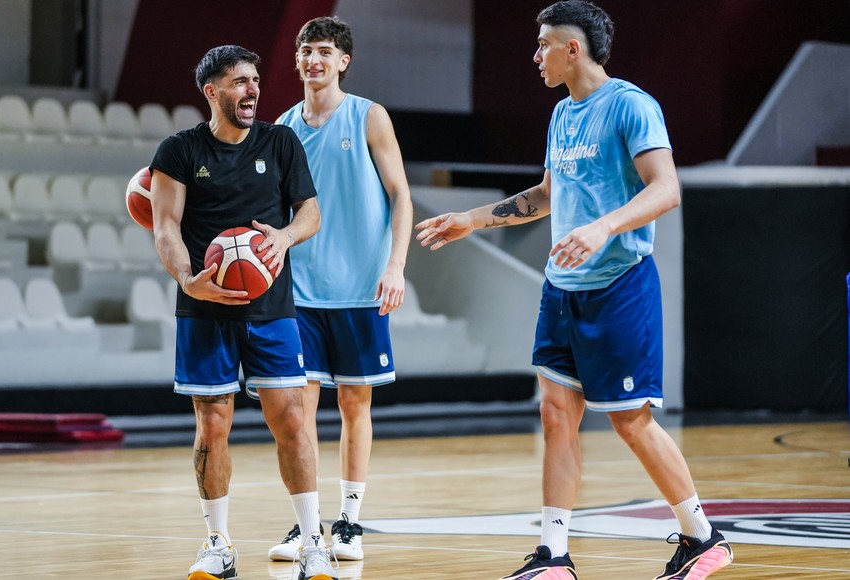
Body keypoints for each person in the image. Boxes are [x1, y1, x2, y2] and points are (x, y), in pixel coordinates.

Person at [415, 2, 733, 579]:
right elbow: (546, 195)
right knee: (556, 414)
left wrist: (603, 226)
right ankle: (554, 555)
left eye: (542, 46)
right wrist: (474, 219)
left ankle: (703, 536)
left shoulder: (631, 106)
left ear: (572, 49)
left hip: (619, 284)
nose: (535, 57)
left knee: (629, 420)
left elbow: (666, 190)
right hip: (562, 289)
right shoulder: (562, 114)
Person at [150, 45, 338, 580]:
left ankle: (312, 544)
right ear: (212, 92)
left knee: (292, 421)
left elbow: (310, 212)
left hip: (272, 308)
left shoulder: (280, 142)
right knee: (212, 425)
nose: (252, 90)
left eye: (255, 80)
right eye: (239, 82)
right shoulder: (179, 150)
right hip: (203, 308)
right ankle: (218, 545)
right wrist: (191, 281)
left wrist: (284, 236)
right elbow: (165, 228)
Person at [268, 16, 413, 563]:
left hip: (359, 288)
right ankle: (306, 524)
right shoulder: (283, 127)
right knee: (296, 411)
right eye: (306, 51)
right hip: (300, 290)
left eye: (324, 51)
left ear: (343, 61)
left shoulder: (369, 116)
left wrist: (395, 266)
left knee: (355, 403)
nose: (313, 60)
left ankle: (349, 520)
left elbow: (401, 196)